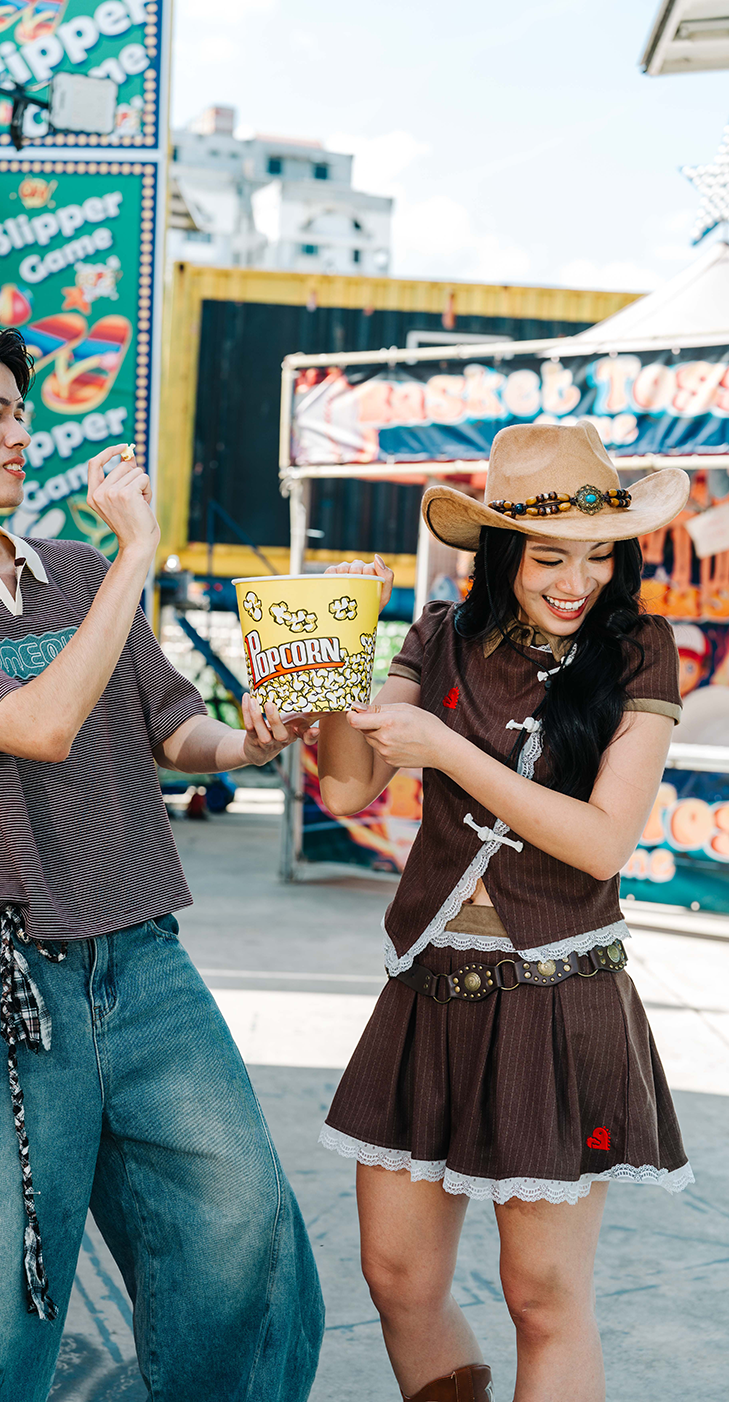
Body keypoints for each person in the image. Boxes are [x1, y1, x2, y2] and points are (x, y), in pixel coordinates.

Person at [0, 318, 324, 1402]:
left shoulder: (75, 571)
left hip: (144, 955)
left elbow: (171, 729)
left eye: (24, 412)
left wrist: (251, 741)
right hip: (2, 983)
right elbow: (42, 725)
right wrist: (137, 558)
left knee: (242, 1229)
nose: (23, 434)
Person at [314, 422, 693, 1402]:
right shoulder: (437, 635)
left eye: (599, 555)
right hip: (427, 989)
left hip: (557, 997)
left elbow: (602, 842)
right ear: (500, 549)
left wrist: (446, 750)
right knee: (398, 1277)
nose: (579, 581)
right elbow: (348, 787)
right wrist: (330, 670)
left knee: (541, 1297)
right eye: (549, 557)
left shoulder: (640, 650)